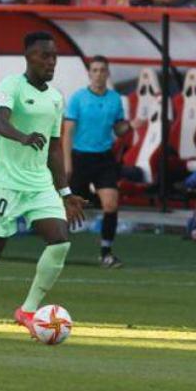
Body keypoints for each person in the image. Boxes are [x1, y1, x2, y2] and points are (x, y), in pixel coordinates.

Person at [0, 31, 84, 340]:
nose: (50, 62)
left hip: (39, 182)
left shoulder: (56, 98)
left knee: (60, 241)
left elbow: (54, 147)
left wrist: (65, 193)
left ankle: (27, 310)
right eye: (44, 56)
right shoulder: (11, 85)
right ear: (28, 57)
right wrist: (23, 137)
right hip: (6, 182)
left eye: (54, 56)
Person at [63, 55, 136, 268]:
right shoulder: (78, 98)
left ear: (108, 73)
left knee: (111, 204)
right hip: (80, 157)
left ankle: (106, 252)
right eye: (94, 70)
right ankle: (56, 249)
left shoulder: (115, 99)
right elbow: (68, 132)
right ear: (89, 74)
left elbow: (118, 129)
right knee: (71, 210)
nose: (98, 74)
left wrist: (129, 126)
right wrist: (67, 163)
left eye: (102, 70)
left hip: (104, 158)